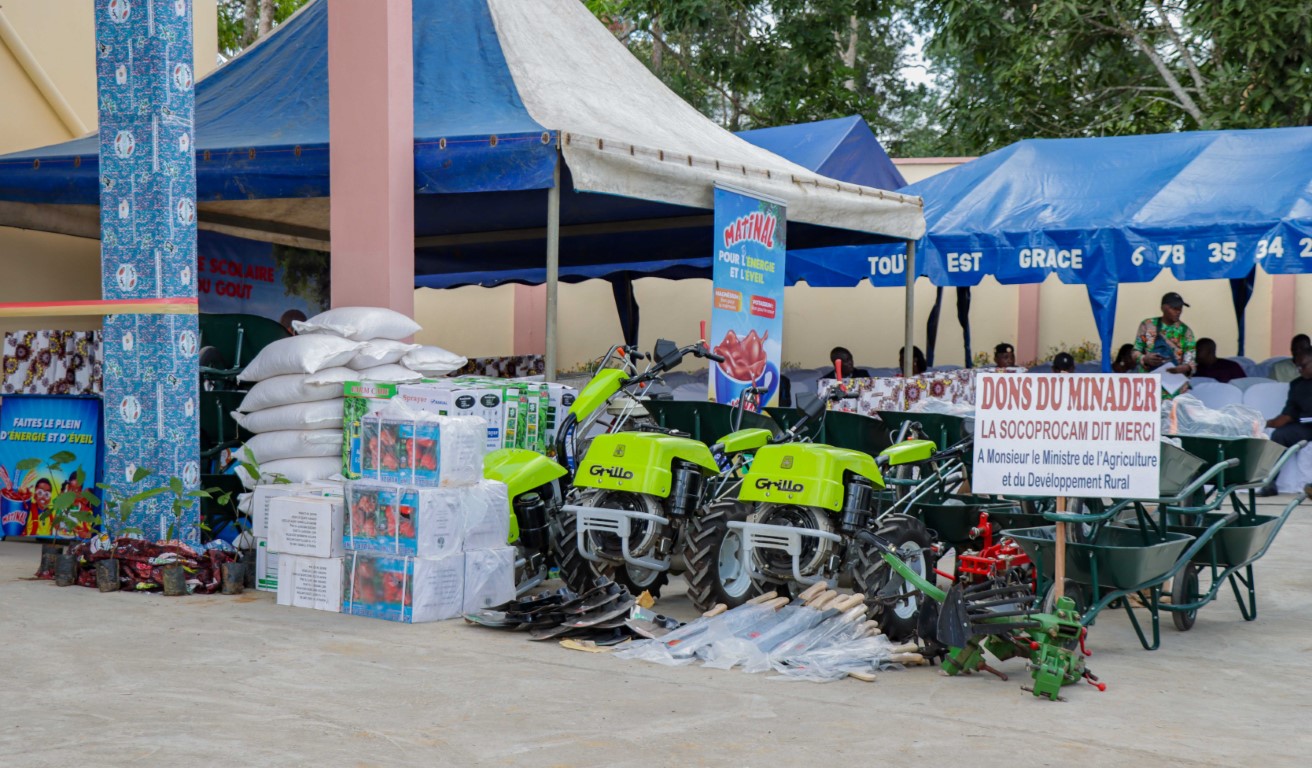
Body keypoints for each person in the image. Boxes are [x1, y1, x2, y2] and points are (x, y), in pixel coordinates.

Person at [1259, 351, 1312, 496]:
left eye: (1303, 366)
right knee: (1280, 435)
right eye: (1298, 366)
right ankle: (1269, 482)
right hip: (1306, 426)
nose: (1299, 370)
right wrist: (1266, 423)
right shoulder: (1297, 384)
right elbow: (1289, 414)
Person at [1131, 292, 1196, 375]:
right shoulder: (1148, 325)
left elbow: (1191, 360)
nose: (1178, 311)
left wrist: (1185, 368)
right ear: (1163, 308)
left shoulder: (1186, 331)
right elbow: (1135, 351)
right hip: (1150, 381)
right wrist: (1144, 358)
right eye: (1174, 308)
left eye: (1180, 308)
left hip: (1174, 383)